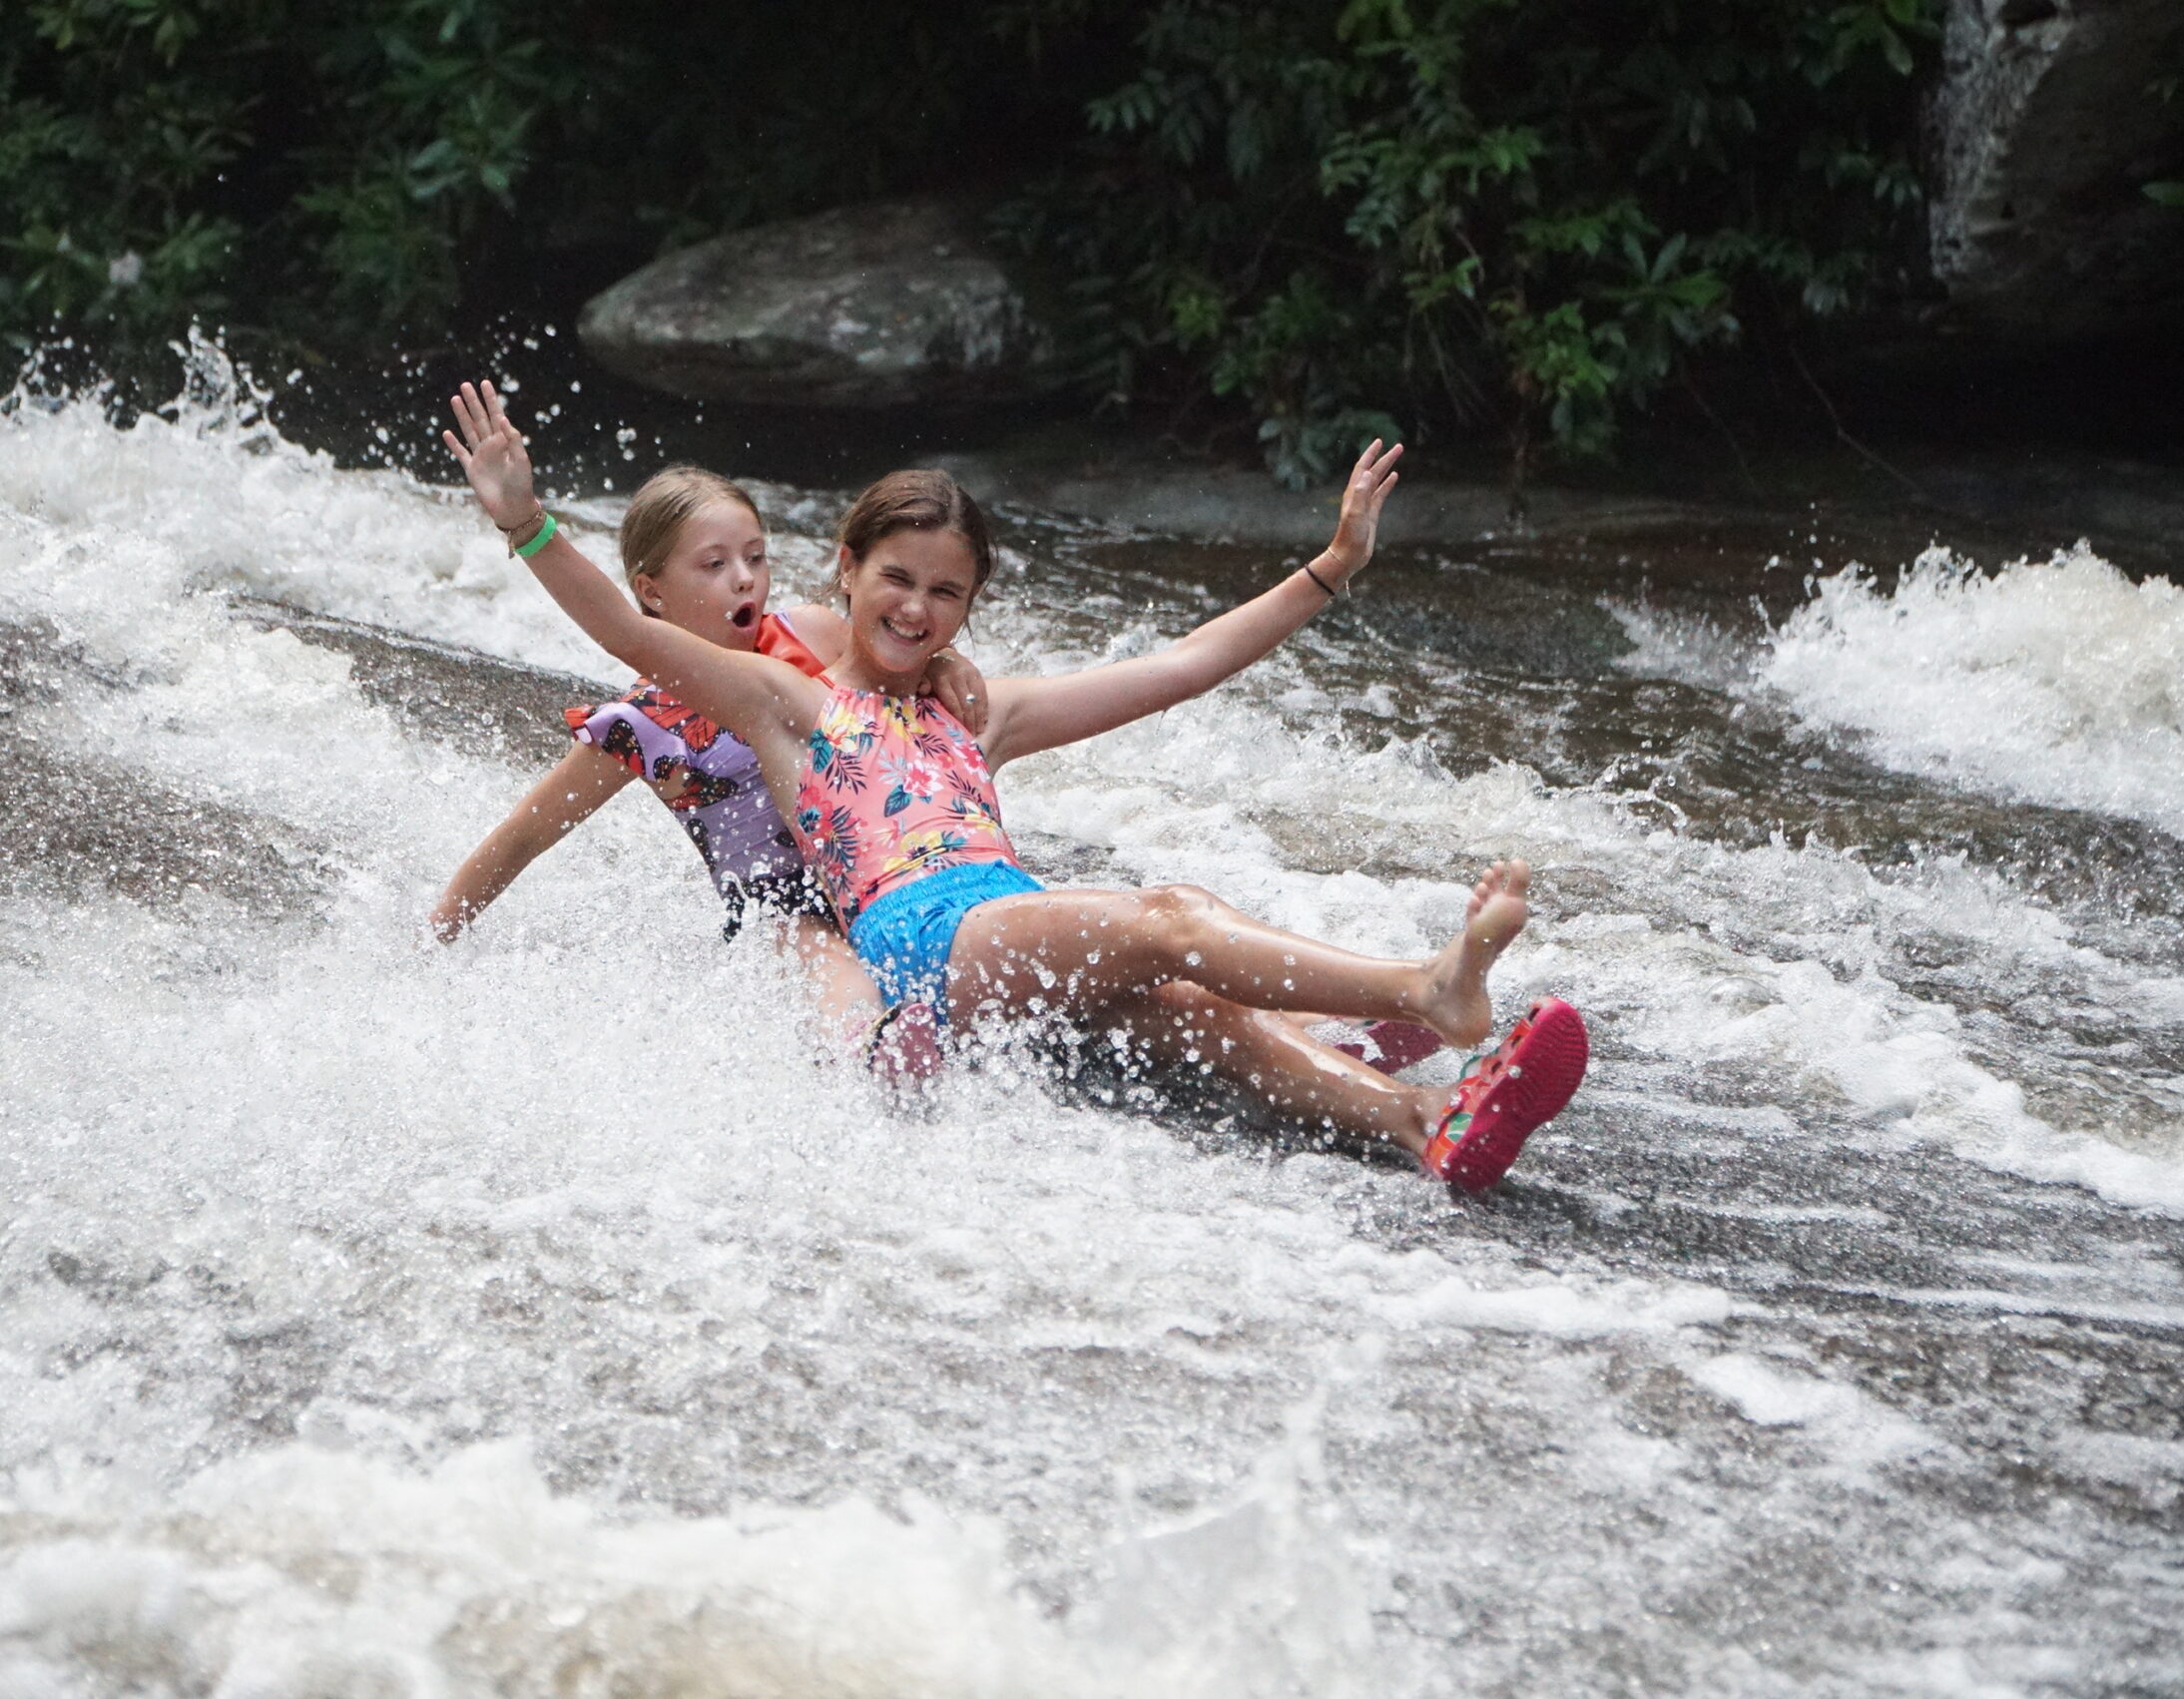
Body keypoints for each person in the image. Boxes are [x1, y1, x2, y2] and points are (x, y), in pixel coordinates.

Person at [445, 380, 1586, 1186]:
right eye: (896, 578)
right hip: (918, 942)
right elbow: (629, 633)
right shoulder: (785, 704)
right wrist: (527, 524)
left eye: (945, 592)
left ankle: (1420, 1120)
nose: (916, 608)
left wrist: (1330, 567)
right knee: (1169, 915)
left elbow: (1183, 666)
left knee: (1197, 1012)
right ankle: (1420, 990)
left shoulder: (978, 712)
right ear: (846, 569)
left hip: (1010, 923)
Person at [428, 463, 988, 1053]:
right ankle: (868, 1043)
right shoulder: (639, 727)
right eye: (715, 565)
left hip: (879, 870)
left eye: (756, 557)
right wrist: (438, 934)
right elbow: (524, 834)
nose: (745, 579)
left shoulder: (813, 635)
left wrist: (943, 661)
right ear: (652, 592)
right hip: (776, 904)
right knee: (799, 936)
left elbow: (894, 656)